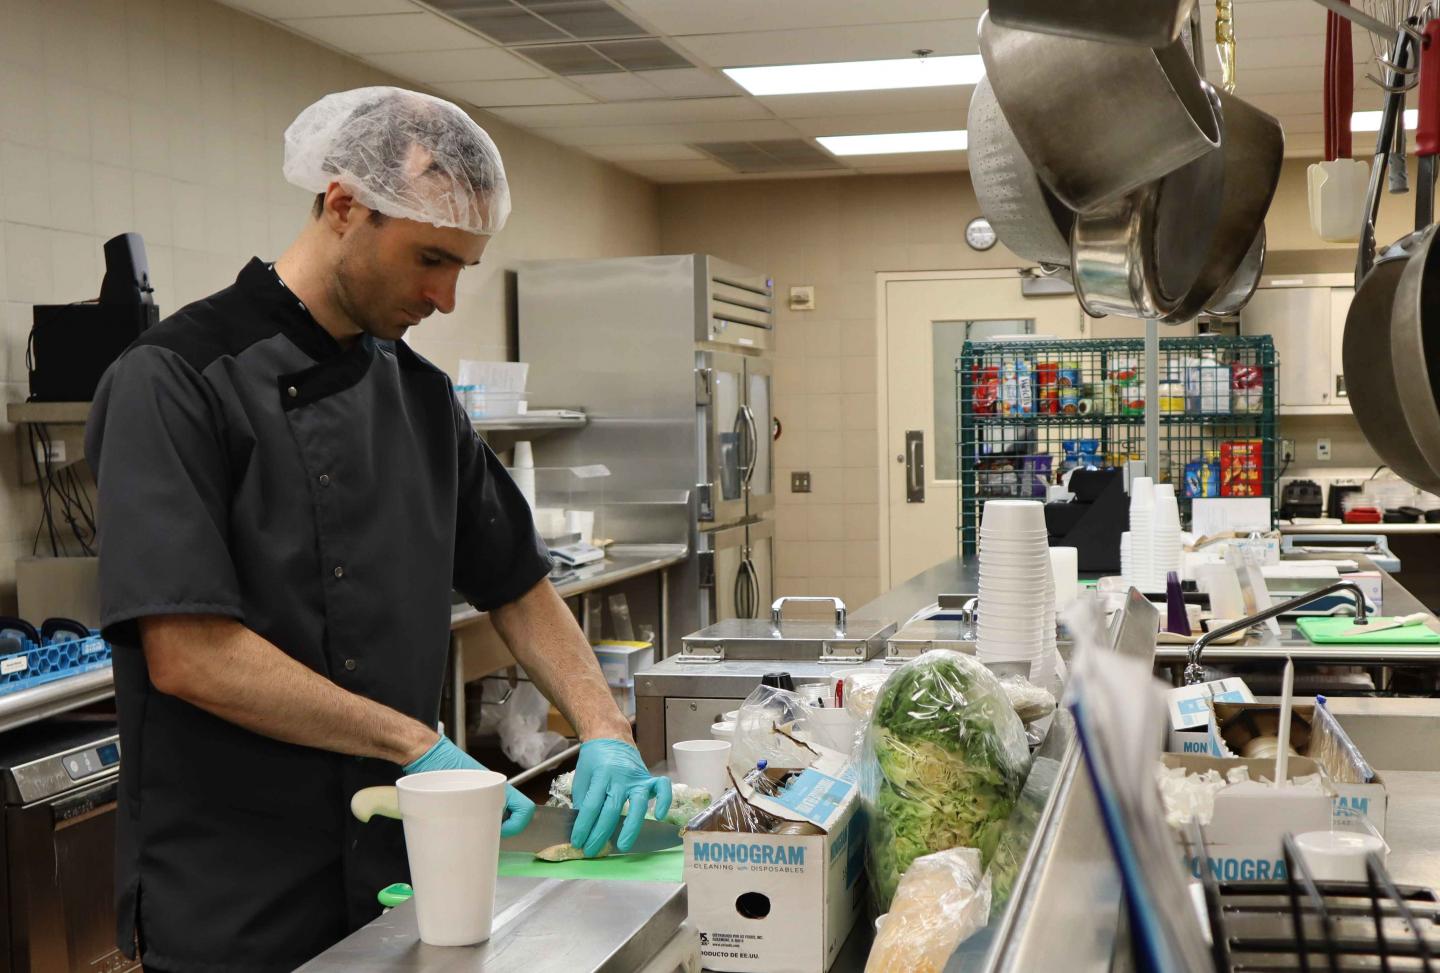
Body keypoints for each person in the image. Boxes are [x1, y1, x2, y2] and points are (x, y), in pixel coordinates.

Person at [84, 86, 670, 973]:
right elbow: (190, 652)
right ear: (343, 205)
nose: (445, 296)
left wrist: (605, 728)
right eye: (430, 258)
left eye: (463, 266)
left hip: (400, 871)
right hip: (234, 887)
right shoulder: (175, 380)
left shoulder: (423, 399)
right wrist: (415, 743)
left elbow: (517, 584)